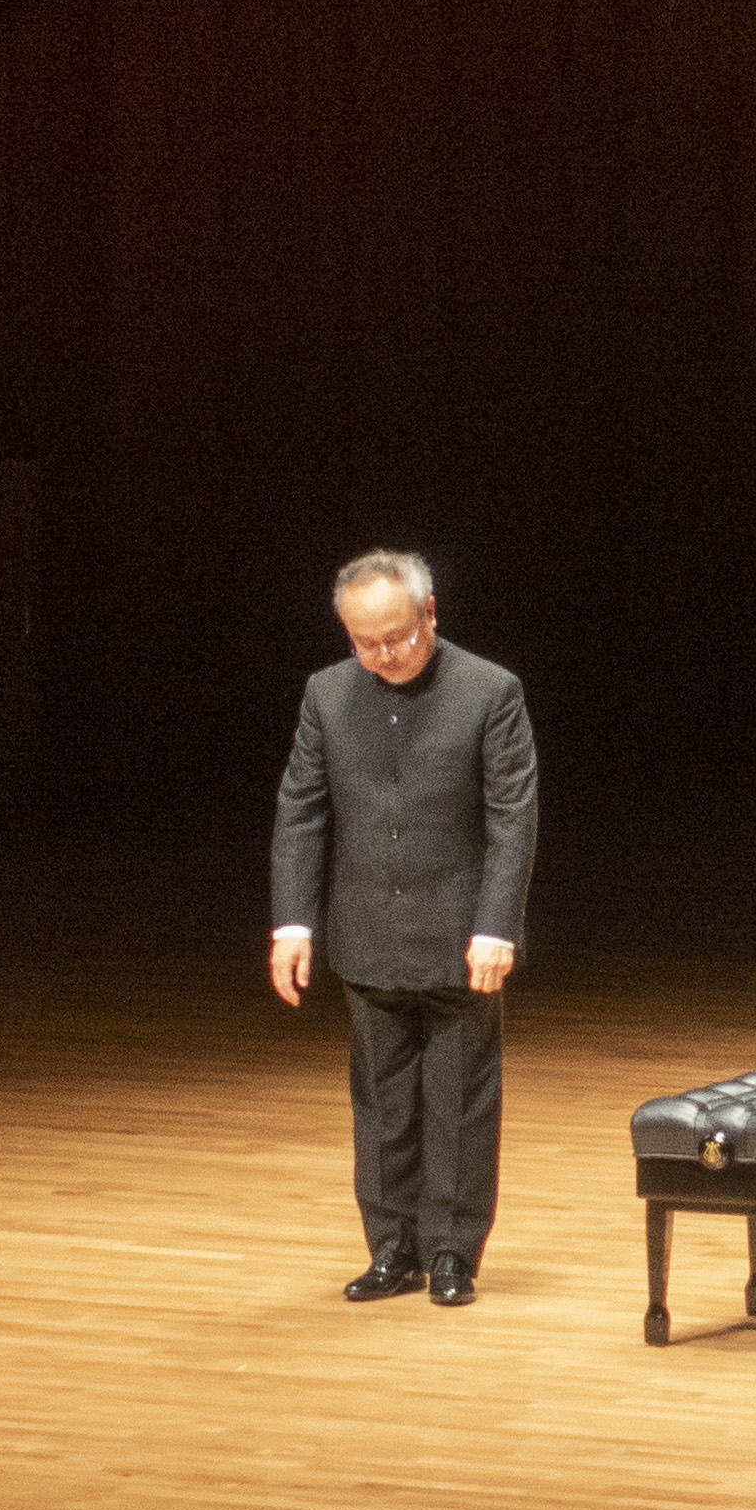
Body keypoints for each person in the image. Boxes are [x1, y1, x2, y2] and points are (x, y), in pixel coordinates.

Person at [270, 549, 538, 1308]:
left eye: (397, 636)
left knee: (458, 1099)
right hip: (366, 930)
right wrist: (293, 922)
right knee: (382, 1101)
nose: (384, 654)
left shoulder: (490, 691)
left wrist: (497, 926)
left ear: (430, 614)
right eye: (365, 642)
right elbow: (301, 811)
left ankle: (451, 1252)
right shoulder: (326, 695)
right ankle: (391, 1251)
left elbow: (512, 819)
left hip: (461, 936)